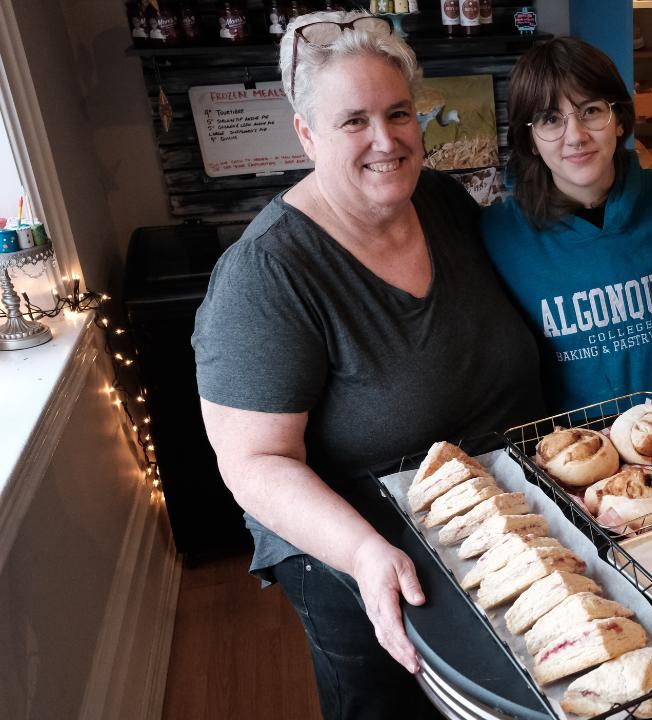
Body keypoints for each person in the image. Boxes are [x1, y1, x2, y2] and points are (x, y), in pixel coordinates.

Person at [191, 11, 542, 719]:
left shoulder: (440, 201)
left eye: (399, 113)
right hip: (362, 548)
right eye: (354, 121)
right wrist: (362, 554)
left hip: (501, 516)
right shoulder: (266, 276)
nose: (386, 141)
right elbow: (254, 463)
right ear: (307, 134)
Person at [481, 37, 652, 413]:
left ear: (619, 121)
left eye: (591, 111)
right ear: (530, 140)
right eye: (551, 119)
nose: (576, 136)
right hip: (577, 455)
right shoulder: (497, 234)